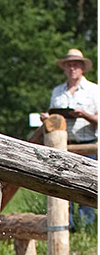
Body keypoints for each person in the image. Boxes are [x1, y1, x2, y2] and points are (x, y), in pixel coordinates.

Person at [41, 48, 97, 226]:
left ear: (82, 68)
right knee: (63, 187)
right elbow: (53, 113)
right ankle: (67, 225)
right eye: (69, 65)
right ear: (64, 68)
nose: (72, 68)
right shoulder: (57, 91)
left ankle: (87, 226)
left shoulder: (94, 90)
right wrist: (47, 118)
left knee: (86, 188)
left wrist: (85, 115)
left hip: (87, 146)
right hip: (62, 145)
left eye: (75, 65)